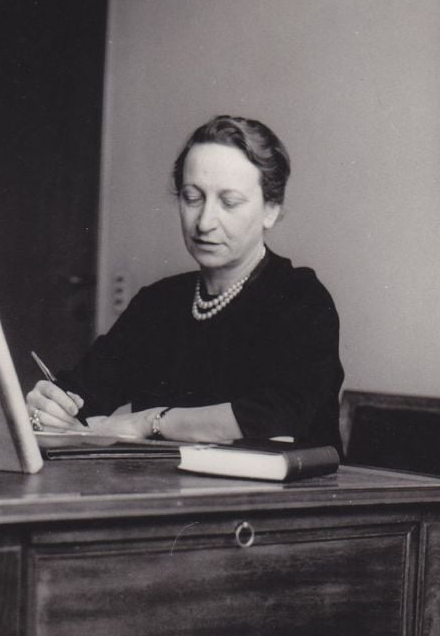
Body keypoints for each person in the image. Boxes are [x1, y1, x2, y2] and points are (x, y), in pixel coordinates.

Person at [25, 115, 344, 450]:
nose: (205, 222)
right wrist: (48, 407)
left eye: (229, 202)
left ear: (271, 210)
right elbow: (83, 394)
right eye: (193, 198)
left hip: (286, 498)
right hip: (169, 494)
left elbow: (276, 416)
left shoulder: (301, 299)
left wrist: (149, 422)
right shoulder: (159, 303)